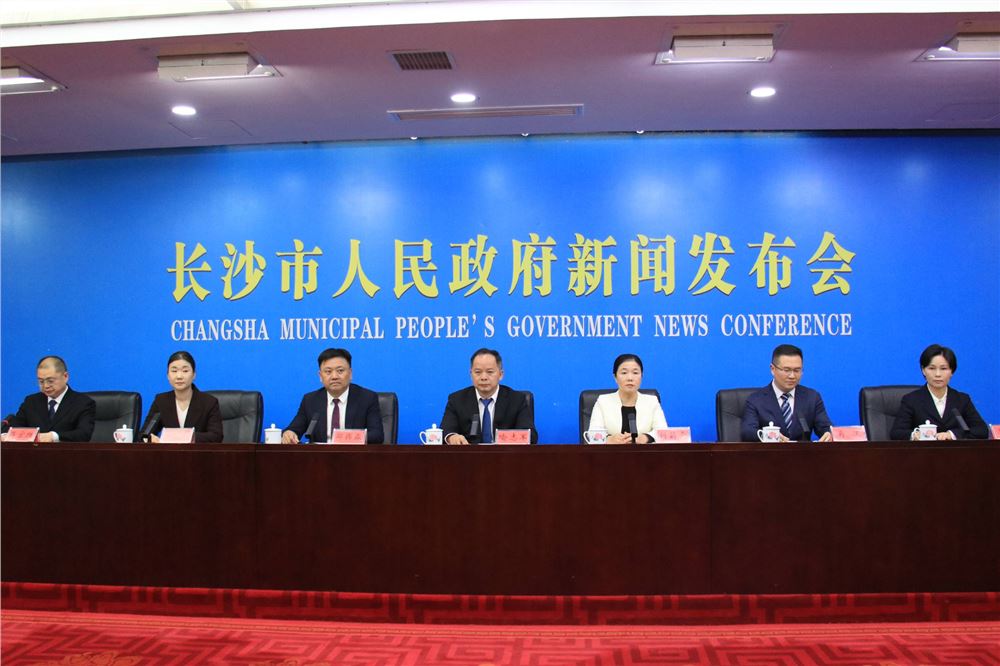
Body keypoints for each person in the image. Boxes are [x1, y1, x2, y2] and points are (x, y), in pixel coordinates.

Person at [282, 348, 384, 444]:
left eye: (340, 371)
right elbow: (294, 429)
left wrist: (345, 438)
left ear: (350, 373)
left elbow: (377, 435)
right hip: (319, 456)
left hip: (355, 455)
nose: (334, 376)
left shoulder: (367, 398)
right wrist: (289, 433)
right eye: (328, 372)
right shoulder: (310, 400)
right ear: (320, 376)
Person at [889, 344, 988, 441]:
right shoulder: (911, 400)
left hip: (954, 451)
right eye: (932, 368)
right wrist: (915, 435)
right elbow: (897, 432)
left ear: (952, 371)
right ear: (923, 370)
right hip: (924, 451)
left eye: (943, 368)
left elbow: (981, 430)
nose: (938, 374)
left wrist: (952, 435)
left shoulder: (962, 400)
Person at [440, 348, 537, 444]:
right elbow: (446, 431)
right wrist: (452, 437)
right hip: (469, 453)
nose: (483, 377)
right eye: (478, 372)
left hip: (506, 453)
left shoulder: (517, 400)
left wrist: (509, 439)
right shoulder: (457, 400)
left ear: (500, 374)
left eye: (490, 372)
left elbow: (530, 435)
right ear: (471, 374)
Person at [740, 344, 833, 442]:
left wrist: (829, 434)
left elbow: (825, 427)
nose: (792, 376)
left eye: (797, 370)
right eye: (787, 370)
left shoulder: (812, 397)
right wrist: (770, 436)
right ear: (772, 369)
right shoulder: (756, 399)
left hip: (802, 451)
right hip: (770, 451)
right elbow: (747, 432)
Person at [2, 355, 95, 442]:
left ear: (65, 376)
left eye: (50, 381)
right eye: (41, 381)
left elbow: (84, 434)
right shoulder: (31, 401)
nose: (46, 386)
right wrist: (5, 435)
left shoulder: (83, 402)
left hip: (67, 453)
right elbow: (15, 427)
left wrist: (54, 436)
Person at [140, 351, 223, 443]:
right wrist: (149, 439)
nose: (179, 376)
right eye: (174, 371)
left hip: (198, 452)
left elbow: (216, 436)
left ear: (194, 375)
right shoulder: (161, 401)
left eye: (185, 371)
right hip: (169, 452)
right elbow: (144, 434)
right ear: (168, 376)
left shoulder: (209, 402)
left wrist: (182, 437)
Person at [588, 353, 667, 444]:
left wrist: (645, 438)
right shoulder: (603, 401)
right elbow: (593, 435)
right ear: (615, 377)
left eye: (635, 373)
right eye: (624, 373)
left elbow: (663, 433)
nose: (630, 378)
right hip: (612, 452)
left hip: (644, 452)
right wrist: (609, 439)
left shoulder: (652, 402)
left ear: (641, 376)